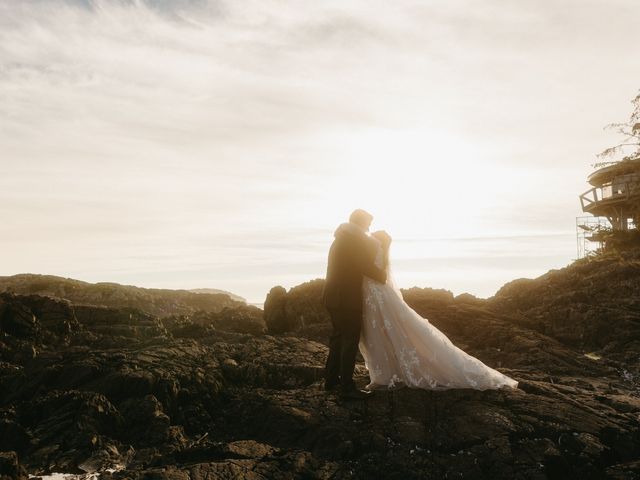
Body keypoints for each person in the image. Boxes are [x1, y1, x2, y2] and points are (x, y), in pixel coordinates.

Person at [359, 230, 518, 391]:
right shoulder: (382, 250)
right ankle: (386, 373)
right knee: (388, 332)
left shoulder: (372, 246)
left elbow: (367, 268)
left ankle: (384, 375)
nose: (370, 234)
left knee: (378, 333)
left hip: (374, 295)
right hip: (377, 294)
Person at [322, 209, 387, 400]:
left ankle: (331, 380)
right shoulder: (353, 240)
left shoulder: (341, 238)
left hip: (332, 297)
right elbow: (364, 265)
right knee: (349, 341)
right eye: (368, 224)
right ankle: (347, 388)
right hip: (346, 299)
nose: (369, 228)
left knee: (337, 339)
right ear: (361, 223)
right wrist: (383, 276)